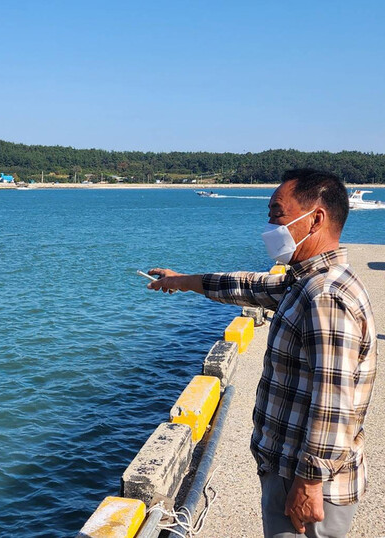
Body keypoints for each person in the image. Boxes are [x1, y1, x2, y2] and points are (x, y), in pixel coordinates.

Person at [147, 169, 377, 538]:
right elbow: (251, 285)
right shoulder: (306, 283)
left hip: (305, 484)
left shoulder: (326, 296)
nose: (269, 225)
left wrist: (309, 483)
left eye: (276, 214)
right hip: (289, 470)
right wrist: (183, 281)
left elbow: (335, 403)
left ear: (315, 218)